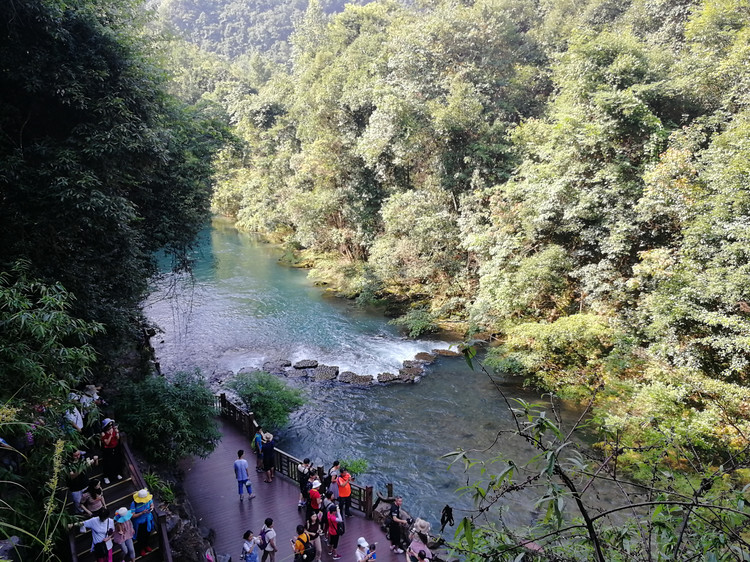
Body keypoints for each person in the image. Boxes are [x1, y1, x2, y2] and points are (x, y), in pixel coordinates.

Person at [130, 489, 155, 557]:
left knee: (147, 534)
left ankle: (146, 545)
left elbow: (152, 504)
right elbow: (133, 515)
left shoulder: (148, 500)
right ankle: (141, 548)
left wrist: (151, 508)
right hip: (139, 523)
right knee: (140, 536)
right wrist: (141, 513)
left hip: (148, 520)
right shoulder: (134, 503)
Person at [100, 418, 123, 484]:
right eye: (109, 425)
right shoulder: (103, 433)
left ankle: (117, 473)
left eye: (111, 425)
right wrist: (110, 435)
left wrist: (117, 432)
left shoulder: (113, 429)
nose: (110, 426)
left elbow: (117, 438)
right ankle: (106, 477)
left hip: (115, 447)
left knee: (116, 461)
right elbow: (106, 443)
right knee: (107, 463)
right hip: (107, 450)